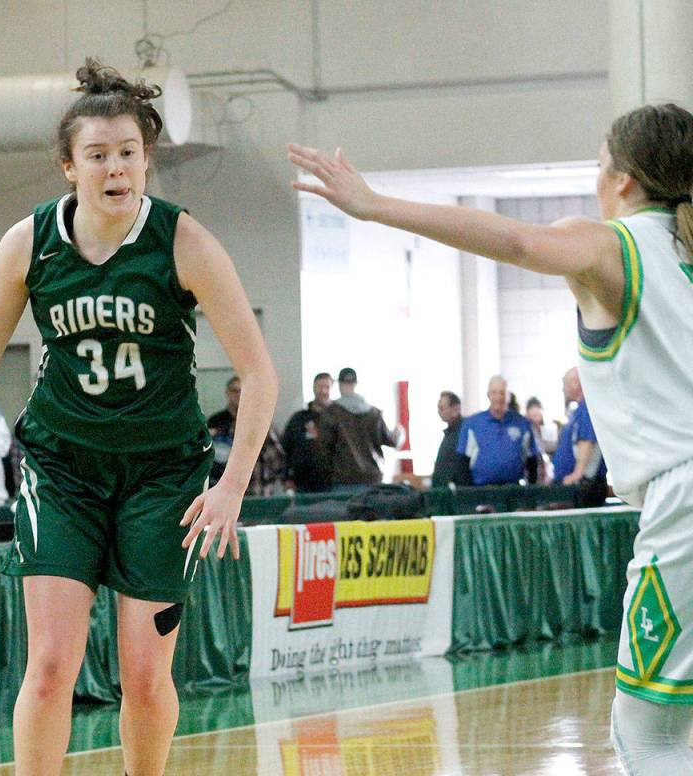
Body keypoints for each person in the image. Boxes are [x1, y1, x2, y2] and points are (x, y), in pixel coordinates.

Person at [0, 60, 277, 776]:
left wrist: (232, 485)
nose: (116, 167)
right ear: (69, 166)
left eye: (129, 153)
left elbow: (258, 373)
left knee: (146, 675)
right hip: (63, 469)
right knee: (51, 663)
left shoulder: (184, 242)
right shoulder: (28, 243)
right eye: (98, 155)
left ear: (146, 160)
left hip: (163, 475)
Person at [288, 101, 693, 773]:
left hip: (683, 503)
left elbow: (517, 242)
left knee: (647, 733)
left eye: (597, 164)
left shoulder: (616, 245)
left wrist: (375, 205)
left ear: (622, 179)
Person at [316, 367, 398, 491]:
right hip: (373, 479)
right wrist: (400, 433)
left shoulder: (331, 413)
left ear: (339, 384)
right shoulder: (374, 413)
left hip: (344, 480)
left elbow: (323, 449)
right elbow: (391, 441)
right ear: (356, 384)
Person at [452, 375, 539, 486]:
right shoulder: (472, 424)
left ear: (508, 396)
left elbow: (532, 460)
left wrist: (530, 491)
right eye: (494, 392)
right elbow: (462, 462)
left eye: (502, 393)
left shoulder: (523, 424)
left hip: (513, 491)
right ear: (488, 395)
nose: (498, 397)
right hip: (481, 491)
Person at [208, 375, 286, 495]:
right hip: (225, 488)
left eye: (242, 390)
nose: (239, 394)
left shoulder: (260, 421)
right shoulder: (216, 421)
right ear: (227, 393)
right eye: (235, 391)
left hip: (258, 488)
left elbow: (278, 457)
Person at [553, 367, 607, 507]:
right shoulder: (579, 410)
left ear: (575, 383)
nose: (563, 389)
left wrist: (577, 474)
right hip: (579, 486)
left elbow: (587, 441)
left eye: (564, 384)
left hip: (585, 488)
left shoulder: (587, 408)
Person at [280, 371, 332, 492]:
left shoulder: (339, 419)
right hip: (302, 484)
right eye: (320, 386)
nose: (323, 391)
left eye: (327, 387)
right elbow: (285, 450)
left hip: (333, 483)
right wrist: (286, 478)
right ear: (314, 388)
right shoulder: (298, 419)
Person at [431, 390, 469, 487]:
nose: (439, 412)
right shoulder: (450, 433)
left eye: (442, 408)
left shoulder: (465, 432)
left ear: (456, 409)